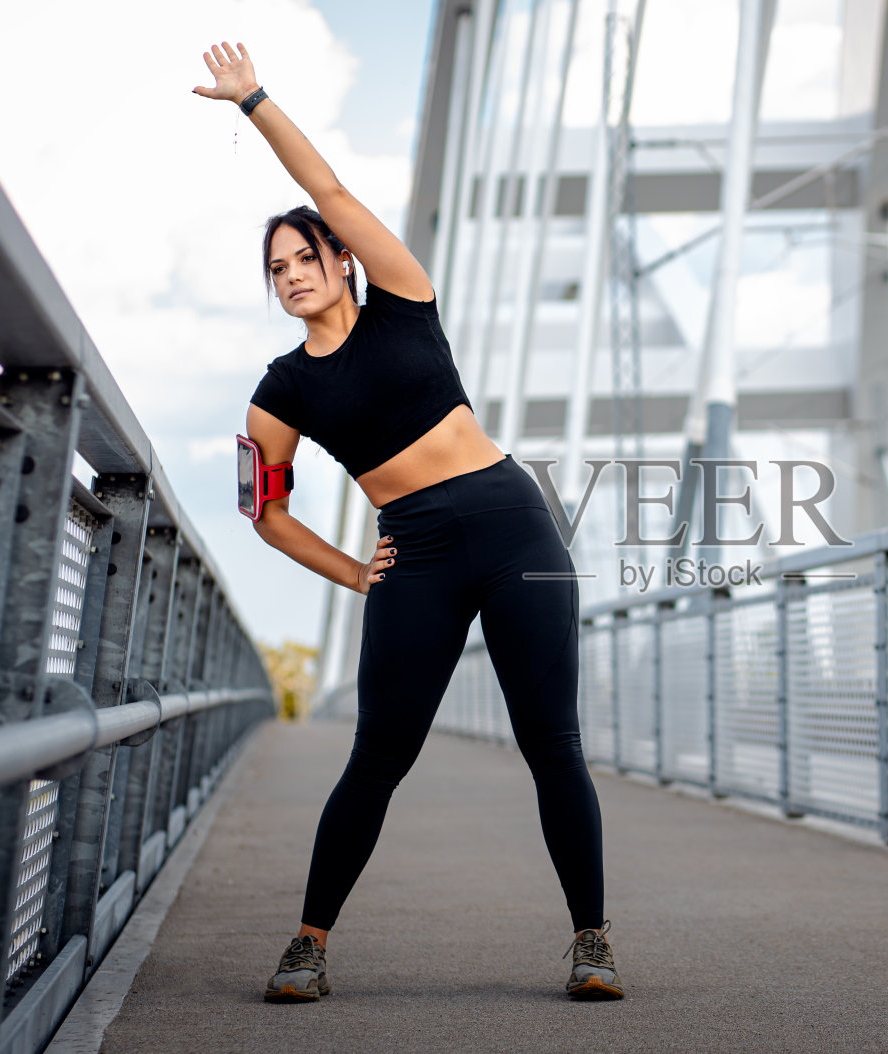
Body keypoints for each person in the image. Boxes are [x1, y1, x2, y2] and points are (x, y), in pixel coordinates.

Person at [193, 41, 622, 1003]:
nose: (296, 274)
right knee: (379, 755)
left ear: (342, 262)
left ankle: (593, 942)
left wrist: (254, 99)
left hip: (514, 527)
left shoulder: (403, 300)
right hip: (414, 554)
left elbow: (329, 186)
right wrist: (354, 573)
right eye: (279, 269)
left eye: (307, 256)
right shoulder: (281, 390)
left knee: (553, 745)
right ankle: (308, 943)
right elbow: (263, 513)